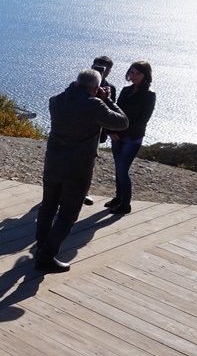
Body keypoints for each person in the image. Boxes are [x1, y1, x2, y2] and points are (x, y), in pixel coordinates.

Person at [36, 69, 128, 273]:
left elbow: (68, 97)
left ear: (75, 83)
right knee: (68, 214)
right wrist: (108, 100)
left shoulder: (56, 101)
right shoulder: (94, 105)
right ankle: (46, 256)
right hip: (77, 168)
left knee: (48, 206)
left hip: (53, 163)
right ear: (96, 88)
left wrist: (80, 89)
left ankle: (41, 245)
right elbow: (122, 122)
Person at [107, 61, 156, 215]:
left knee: (122, 170)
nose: (133, 76)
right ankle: (118, 197)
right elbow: (116, 111)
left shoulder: (149, 95)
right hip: (117, 135)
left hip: (132, 138)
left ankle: (125, 204)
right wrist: (110, 130)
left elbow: (143, 119)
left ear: (145, 76)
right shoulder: (126, 90)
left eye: (138, 73)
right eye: (132, 72)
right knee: (118, 168)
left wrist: (119, 132)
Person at [83, 55, 116, 206]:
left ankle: (84, 192)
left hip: (96, 133)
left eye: (104, 69)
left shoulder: (110, 89)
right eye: (96, 67)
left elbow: (109, 113)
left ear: (109, 71)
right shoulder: (82, 83)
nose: (100, 71)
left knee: (89, 163)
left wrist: (105, 97)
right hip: (78, 129)